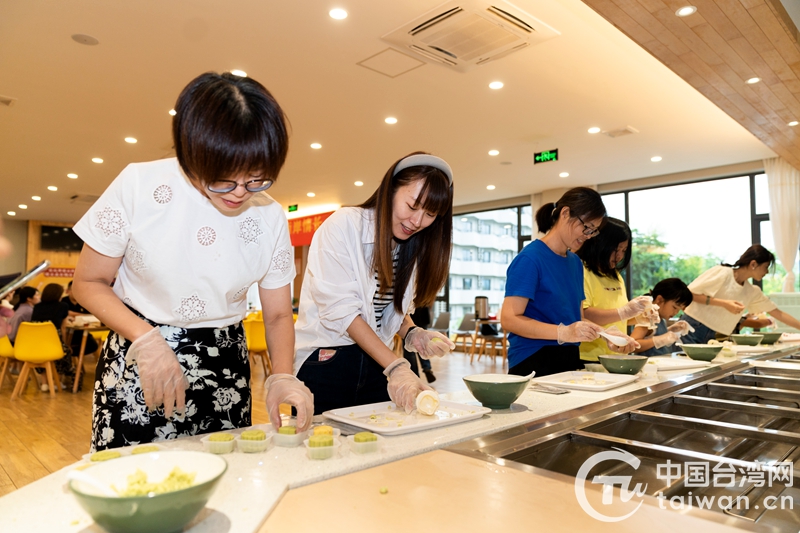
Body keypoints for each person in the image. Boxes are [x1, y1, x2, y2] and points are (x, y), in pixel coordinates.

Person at [72, 71, 310, 451]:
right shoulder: (139, 185)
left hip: (225, 365)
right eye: (223, 180)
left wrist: (282, 376)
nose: (240, 193)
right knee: (134, 476)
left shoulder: (269, 216)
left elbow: (279, 315)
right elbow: (87, 283)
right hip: (142, 355)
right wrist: (146, 338)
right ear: (192, 154)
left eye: (256, 180)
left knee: (222, 473)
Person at [293, 152, 455, 415]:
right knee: (324, 440)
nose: (417, 221)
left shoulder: (410, 246)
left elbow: (385, 311)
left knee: (381, 437)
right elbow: (343, 312)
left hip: (378, 361)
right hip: (328, 359)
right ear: (390, 190)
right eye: (412, 206)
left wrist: (413, 332)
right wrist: (396, 366)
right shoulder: (344, 225)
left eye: (429, 214)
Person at [501, 188, 640, 378]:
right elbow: (509, 318)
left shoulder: (575, 262)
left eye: (593, 231)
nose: (588, 235)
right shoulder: (531, 258)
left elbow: (577, 318)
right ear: (565, 213)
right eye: (587, 227)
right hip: (533, 357)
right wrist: (562, 332)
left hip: (569, 355)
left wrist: (606, 334)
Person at [681, 244, 800, 343]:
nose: (767, 272)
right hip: (692, 327)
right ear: (753, 264)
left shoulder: (752, 291)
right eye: (765, 267)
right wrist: (724, 303)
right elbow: (688, 294)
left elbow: (778, 313)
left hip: (716, 336)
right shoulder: (723, 272)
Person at [576, 217, 647, 363]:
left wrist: (641, 316)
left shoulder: (616, 276)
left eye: (624, 250)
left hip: (617, 355)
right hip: (589, 357)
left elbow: (617, 317)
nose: (620, 256)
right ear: (599, 243)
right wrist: (625, 311)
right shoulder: (582, 271)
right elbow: (583, 314)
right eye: (616, 249)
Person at [631, 278, 694, 355]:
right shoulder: (648, 316)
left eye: (679, 310)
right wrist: (658, 340)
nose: (676, 312)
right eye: (674, 307)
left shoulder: (660, 318)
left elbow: (652, 333)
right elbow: (633, 344)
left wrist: (670, 330)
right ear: (659, 299)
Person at [31, 283, 75, 390]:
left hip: (36, 344)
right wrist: (65, 344)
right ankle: (56, 382)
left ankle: (44, 383)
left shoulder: (37, 306)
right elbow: (63, 328)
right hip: (53, 342)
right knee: (64, 353)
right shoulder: (63, 306)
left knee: (43, 356)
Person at [61, 280, 99, 356]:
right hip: (66, 332)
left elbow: (91, 315)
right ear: (68, 291)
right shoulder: (63, 301)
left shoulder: (83, 302)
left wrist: (73, 314)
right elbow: (65, 313)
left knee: (93, 345)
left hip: (82, 331)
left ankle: (73, 356)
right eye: (74, 290)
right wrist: (80, 315)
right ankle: (70, 356)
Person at [402, 305, 436, 383]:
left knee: (409, 350)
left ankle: (415, 375)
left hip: (409, 318)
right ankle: (427, 368)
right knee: (423, 345)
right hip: (423, 316)